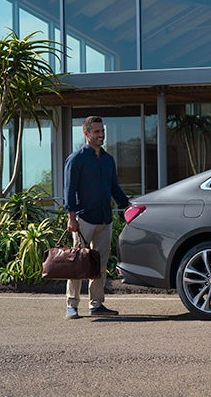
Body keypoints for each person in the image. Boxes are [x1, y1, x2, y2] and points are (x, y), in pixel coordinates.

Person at [63, 116, 130, 319]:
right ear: (86, 133)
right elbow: (69, 190)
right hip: (83, 220)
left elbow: (114, 188)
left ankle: (96, 304)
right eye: (97, 132)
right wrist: (72, 218)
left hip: (104, 219)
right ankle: (72, 305)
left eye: (103, 131)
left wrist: (127, 206)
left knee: (100, 265)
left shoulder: (108, 160)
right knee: (78, 264)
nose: (101, 135)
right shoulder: (76, 159)